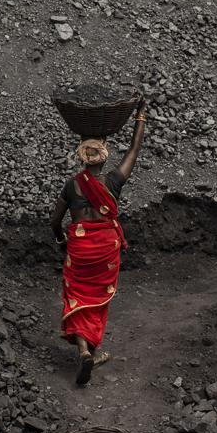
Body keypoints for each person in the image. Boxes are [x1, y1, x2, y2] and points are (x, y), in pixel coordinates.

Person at [52, 105, 148, 385]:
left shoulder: (71, 186)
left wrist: (61, 242)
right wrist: (141, 116)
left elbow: (54, 221)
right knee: (97, 300)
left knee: (78, 296)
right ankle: (88, 351)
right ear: (104, 158)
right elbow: (134, 150)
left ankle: (84, 350)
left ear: (83, 157)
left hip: (80, 248)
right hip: (106, 248)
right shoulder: (114, 181)